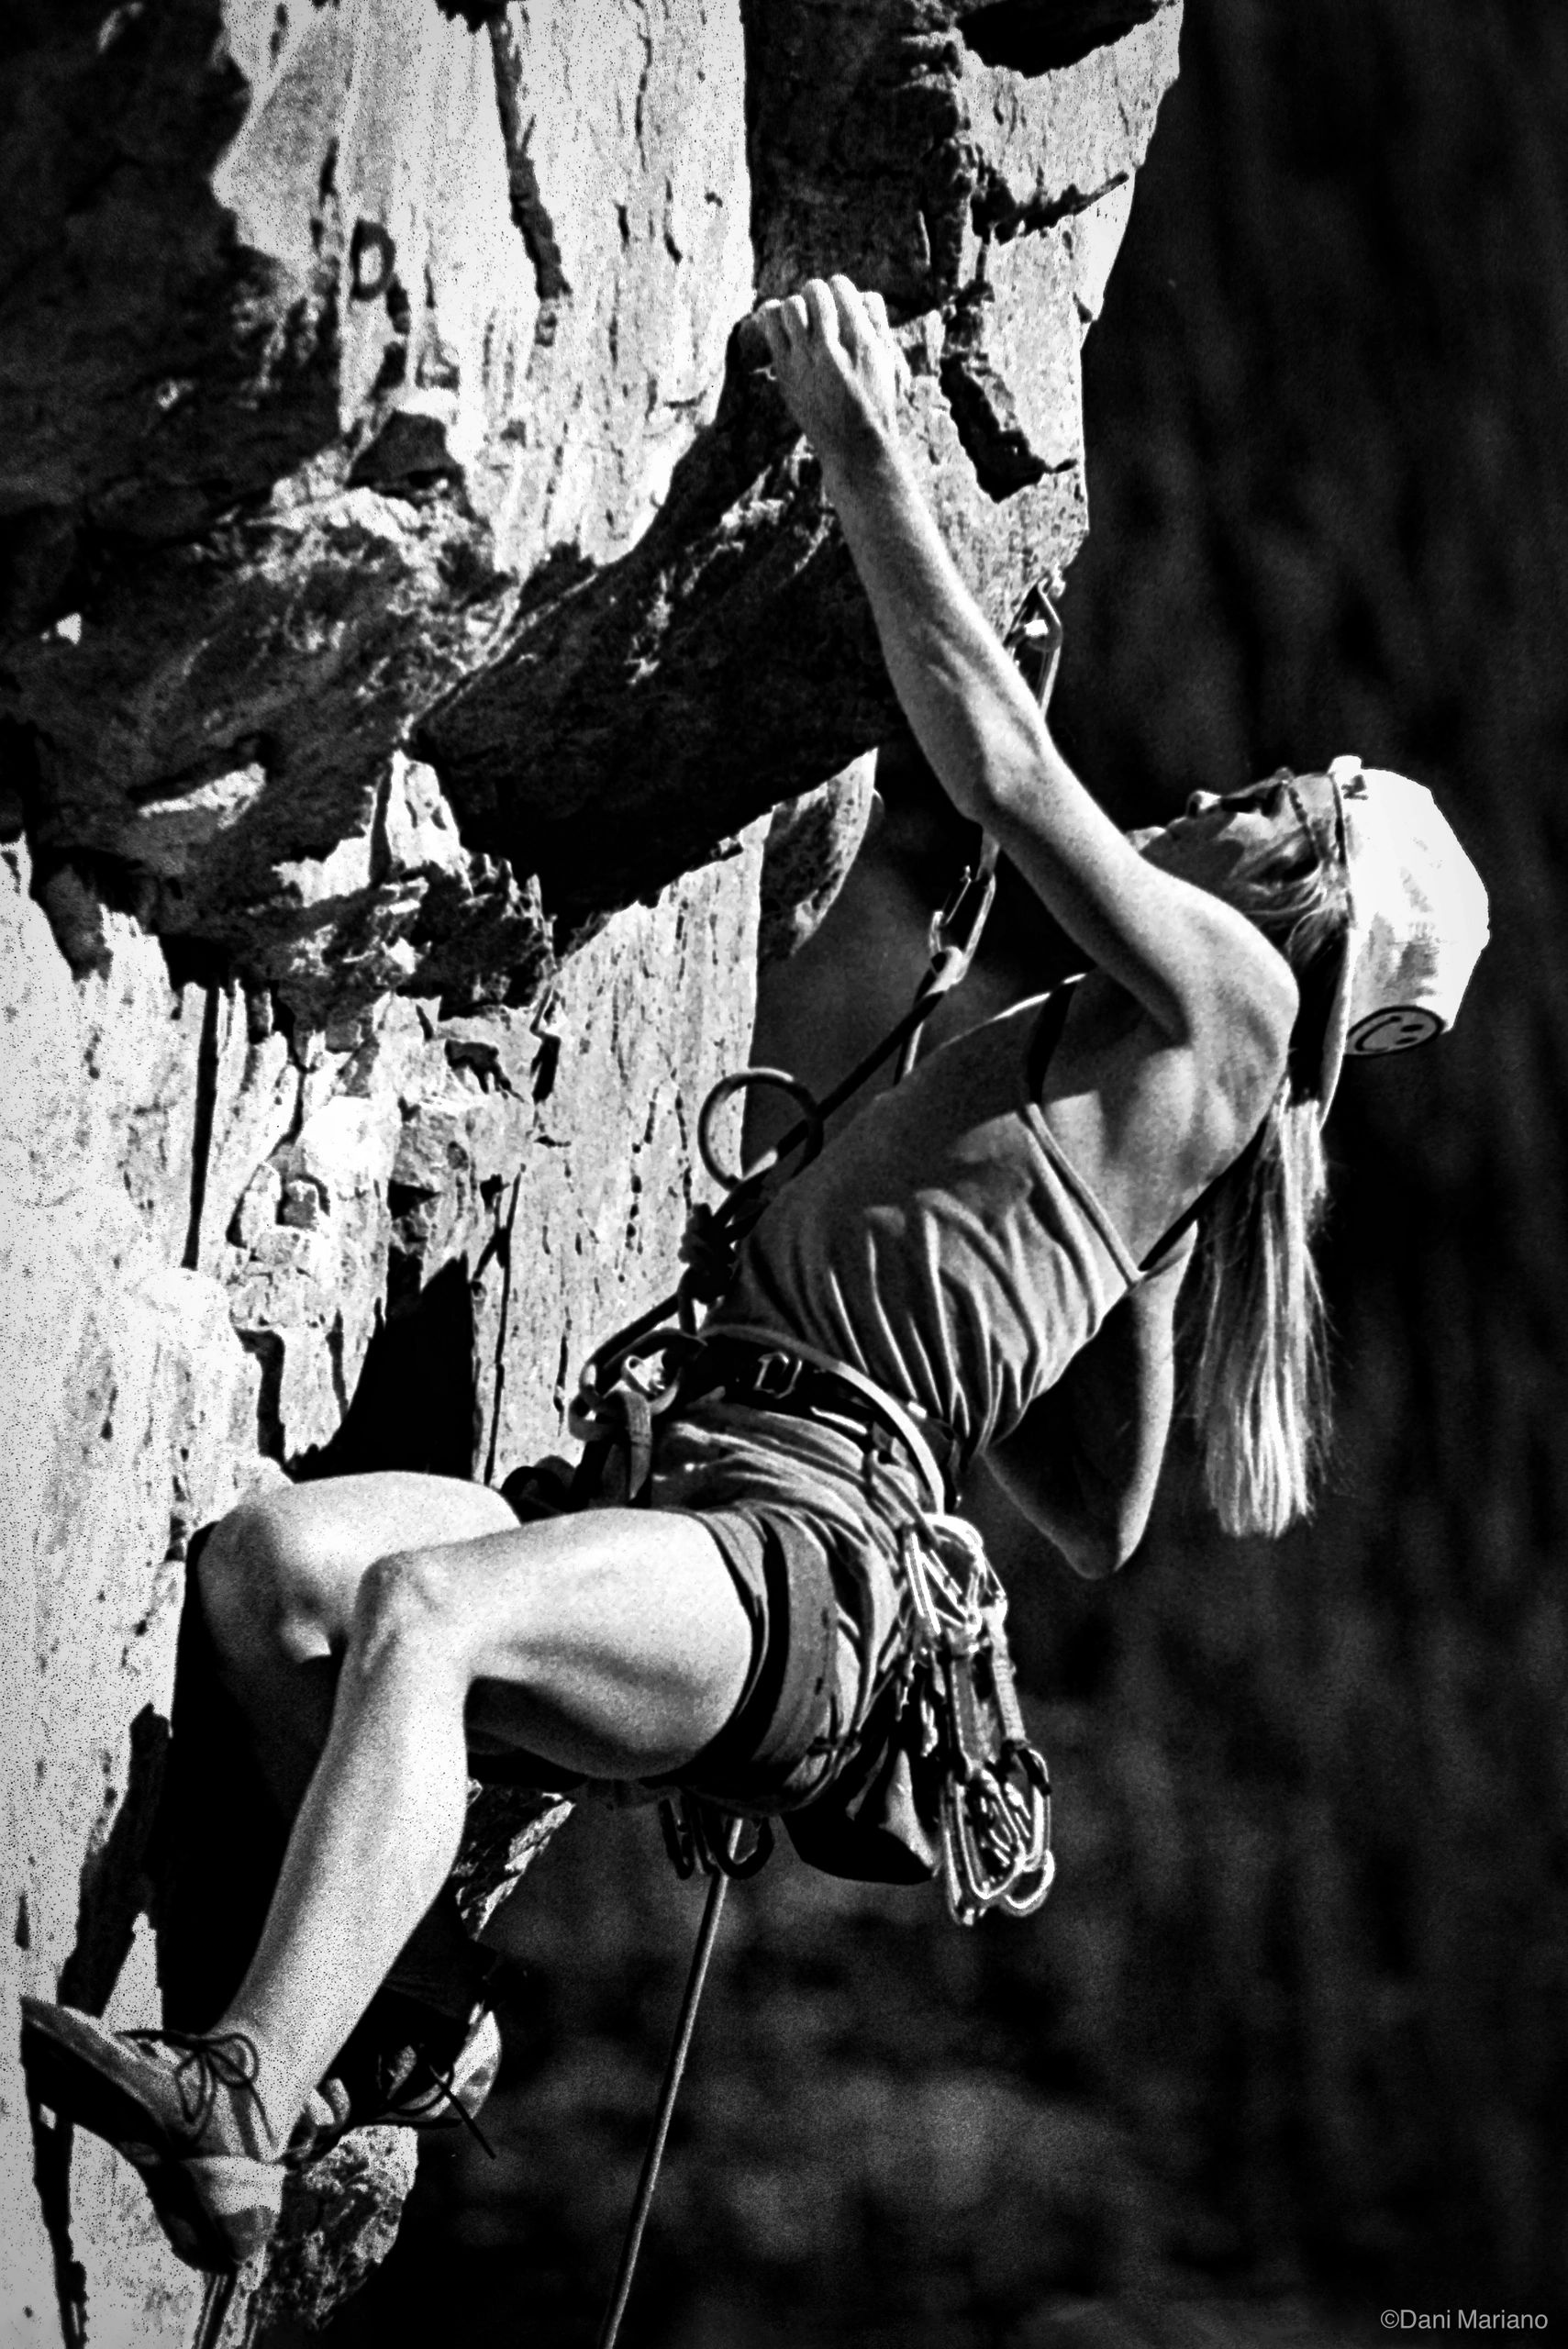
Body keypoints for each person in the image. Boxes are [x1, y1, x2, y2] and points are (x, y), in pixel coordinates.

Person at [20, 277, 1489, 2279]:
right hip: (708, 1491)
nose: (1225, 798)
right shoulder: (1167, 1094)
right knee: (272, 1577)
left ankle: (248, 2094)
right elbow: (1100, 1512)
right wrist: (1094, 1254)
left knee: (430, 1609)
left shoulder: (1233, 990)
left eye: (1274, 805)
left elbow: (1002, 769)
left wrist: (864, 435)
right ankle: (421, 1987)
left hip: (788, 1565)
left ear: (1309, 889)